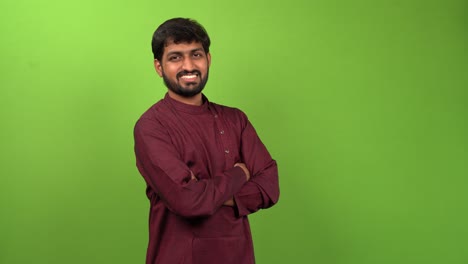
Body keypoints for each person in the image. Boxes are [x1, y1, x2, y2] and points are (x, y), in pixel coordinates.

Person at [134, 17, 280, 264]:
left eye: (196, 55)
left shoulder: (236, 120)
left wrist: (205, 191)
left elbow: (269, 188)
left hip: (238, 257)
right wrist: (240, 174)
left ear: (208, 60)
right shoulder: (151, 126)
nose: (188, 65)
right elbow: (188, 202)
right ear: (159, 67)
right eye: (175, 57)